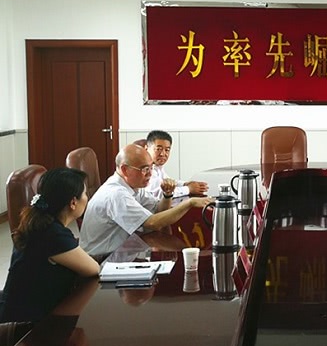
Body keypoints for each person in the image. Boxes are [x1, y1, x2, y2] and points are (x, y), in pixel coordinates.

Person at [0, 168, 100, 323]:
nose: (87, 198)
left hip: (17, 311)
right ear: (73, 202)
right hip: (25, 326)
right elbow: (94, 269)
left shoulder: (41, 224)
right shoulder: (53, 235)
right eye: (85, 194)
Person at [79, 144, 212, 257]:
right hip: (101, 259)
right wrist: (189, 203)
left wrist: (167, 195)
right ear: (125, 169)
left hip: (120, 248)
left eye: (151, 167)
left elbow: (158, 210)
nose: (150, 174)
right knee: (158, 239)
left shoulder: (134, 186)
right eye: (144, 169)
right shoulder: (116, 194)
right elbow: (153, 223)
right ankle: (193, 256)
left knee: (158, 238)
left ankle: (191, 256)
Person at [144, 130, 208, 200]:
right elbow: (161, 193)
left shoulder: (157, 167)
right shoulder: (145, 169)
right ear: (146, 148)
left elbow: (168, 183)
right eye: (158, 149)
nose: (162, 154)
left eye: (167, 150)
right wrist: (189, 189)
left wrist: (185, 184)